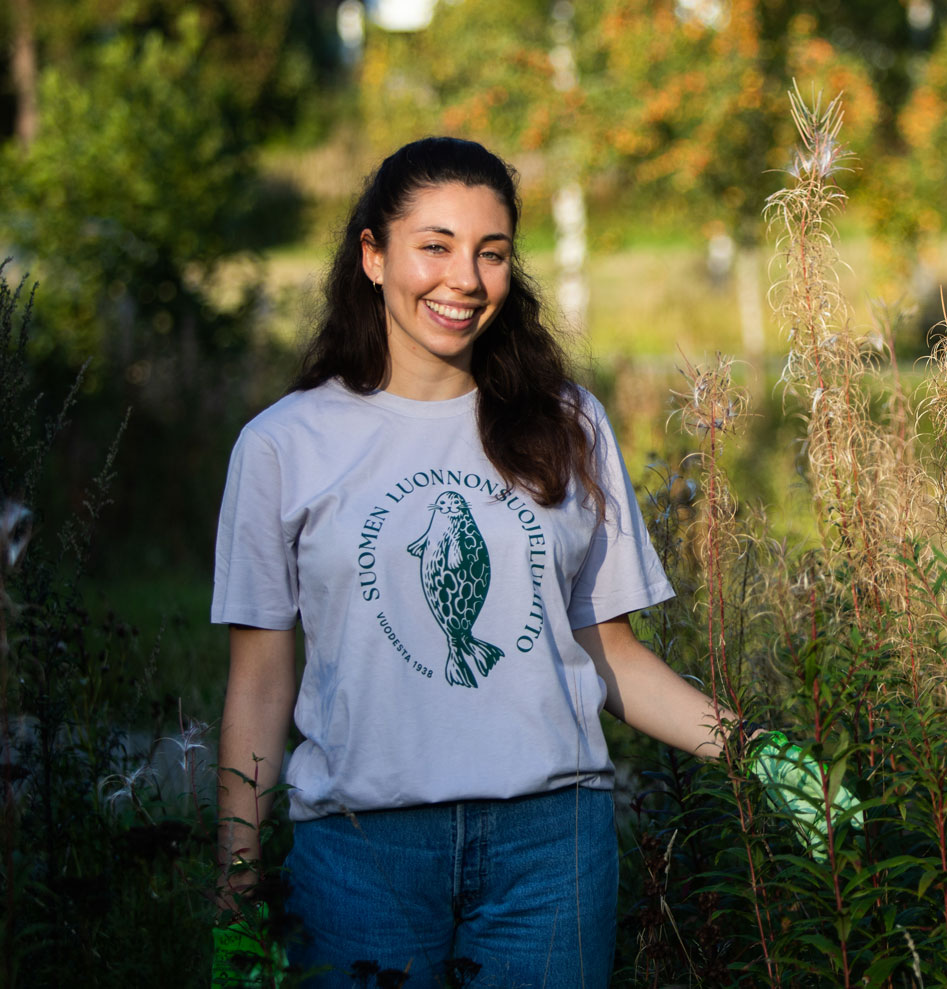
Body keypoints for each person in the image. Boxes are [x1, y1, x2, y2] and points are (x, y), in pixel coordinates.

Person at [212, 136, 747, 988]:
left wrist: (757, 750)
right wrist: (235, 893)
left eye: (490, 253)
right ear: (373, 255)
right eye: (435, 245)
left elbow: (613, 654)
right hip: (360, 857)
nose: (463, 278)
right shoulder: (284, 444)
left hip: (552, 852)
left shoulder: (568, 424)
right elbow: (261, 684)